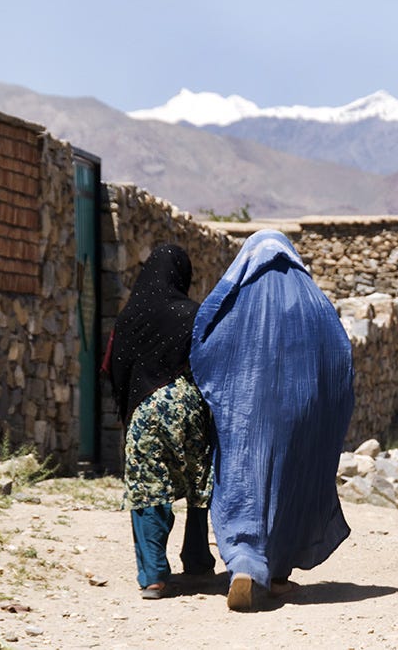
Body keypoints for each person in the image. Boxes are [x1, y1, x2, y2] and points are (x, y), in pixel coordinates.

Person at [190, 229, 355, 612]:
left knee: (244, 479)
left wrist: (220, 390)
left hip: (245, 411)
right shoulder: (314, 300)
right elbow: (340, 359)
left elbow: (203, 334)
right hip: (300, 411)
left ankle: (245, 560)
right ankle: (277, 574)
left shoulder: (236, 294)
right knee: (290, 482)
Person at [101, 244, 216, 599]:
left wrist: (131, 406)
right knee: (198, 482)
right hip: (188, 406)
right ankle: (197, 560)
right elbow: (210, 363)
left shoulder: (127, 317)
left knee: (149, 487)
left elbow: (111, 367)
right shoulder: (194, 314)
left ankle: (153, 575)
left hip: (145, 409)